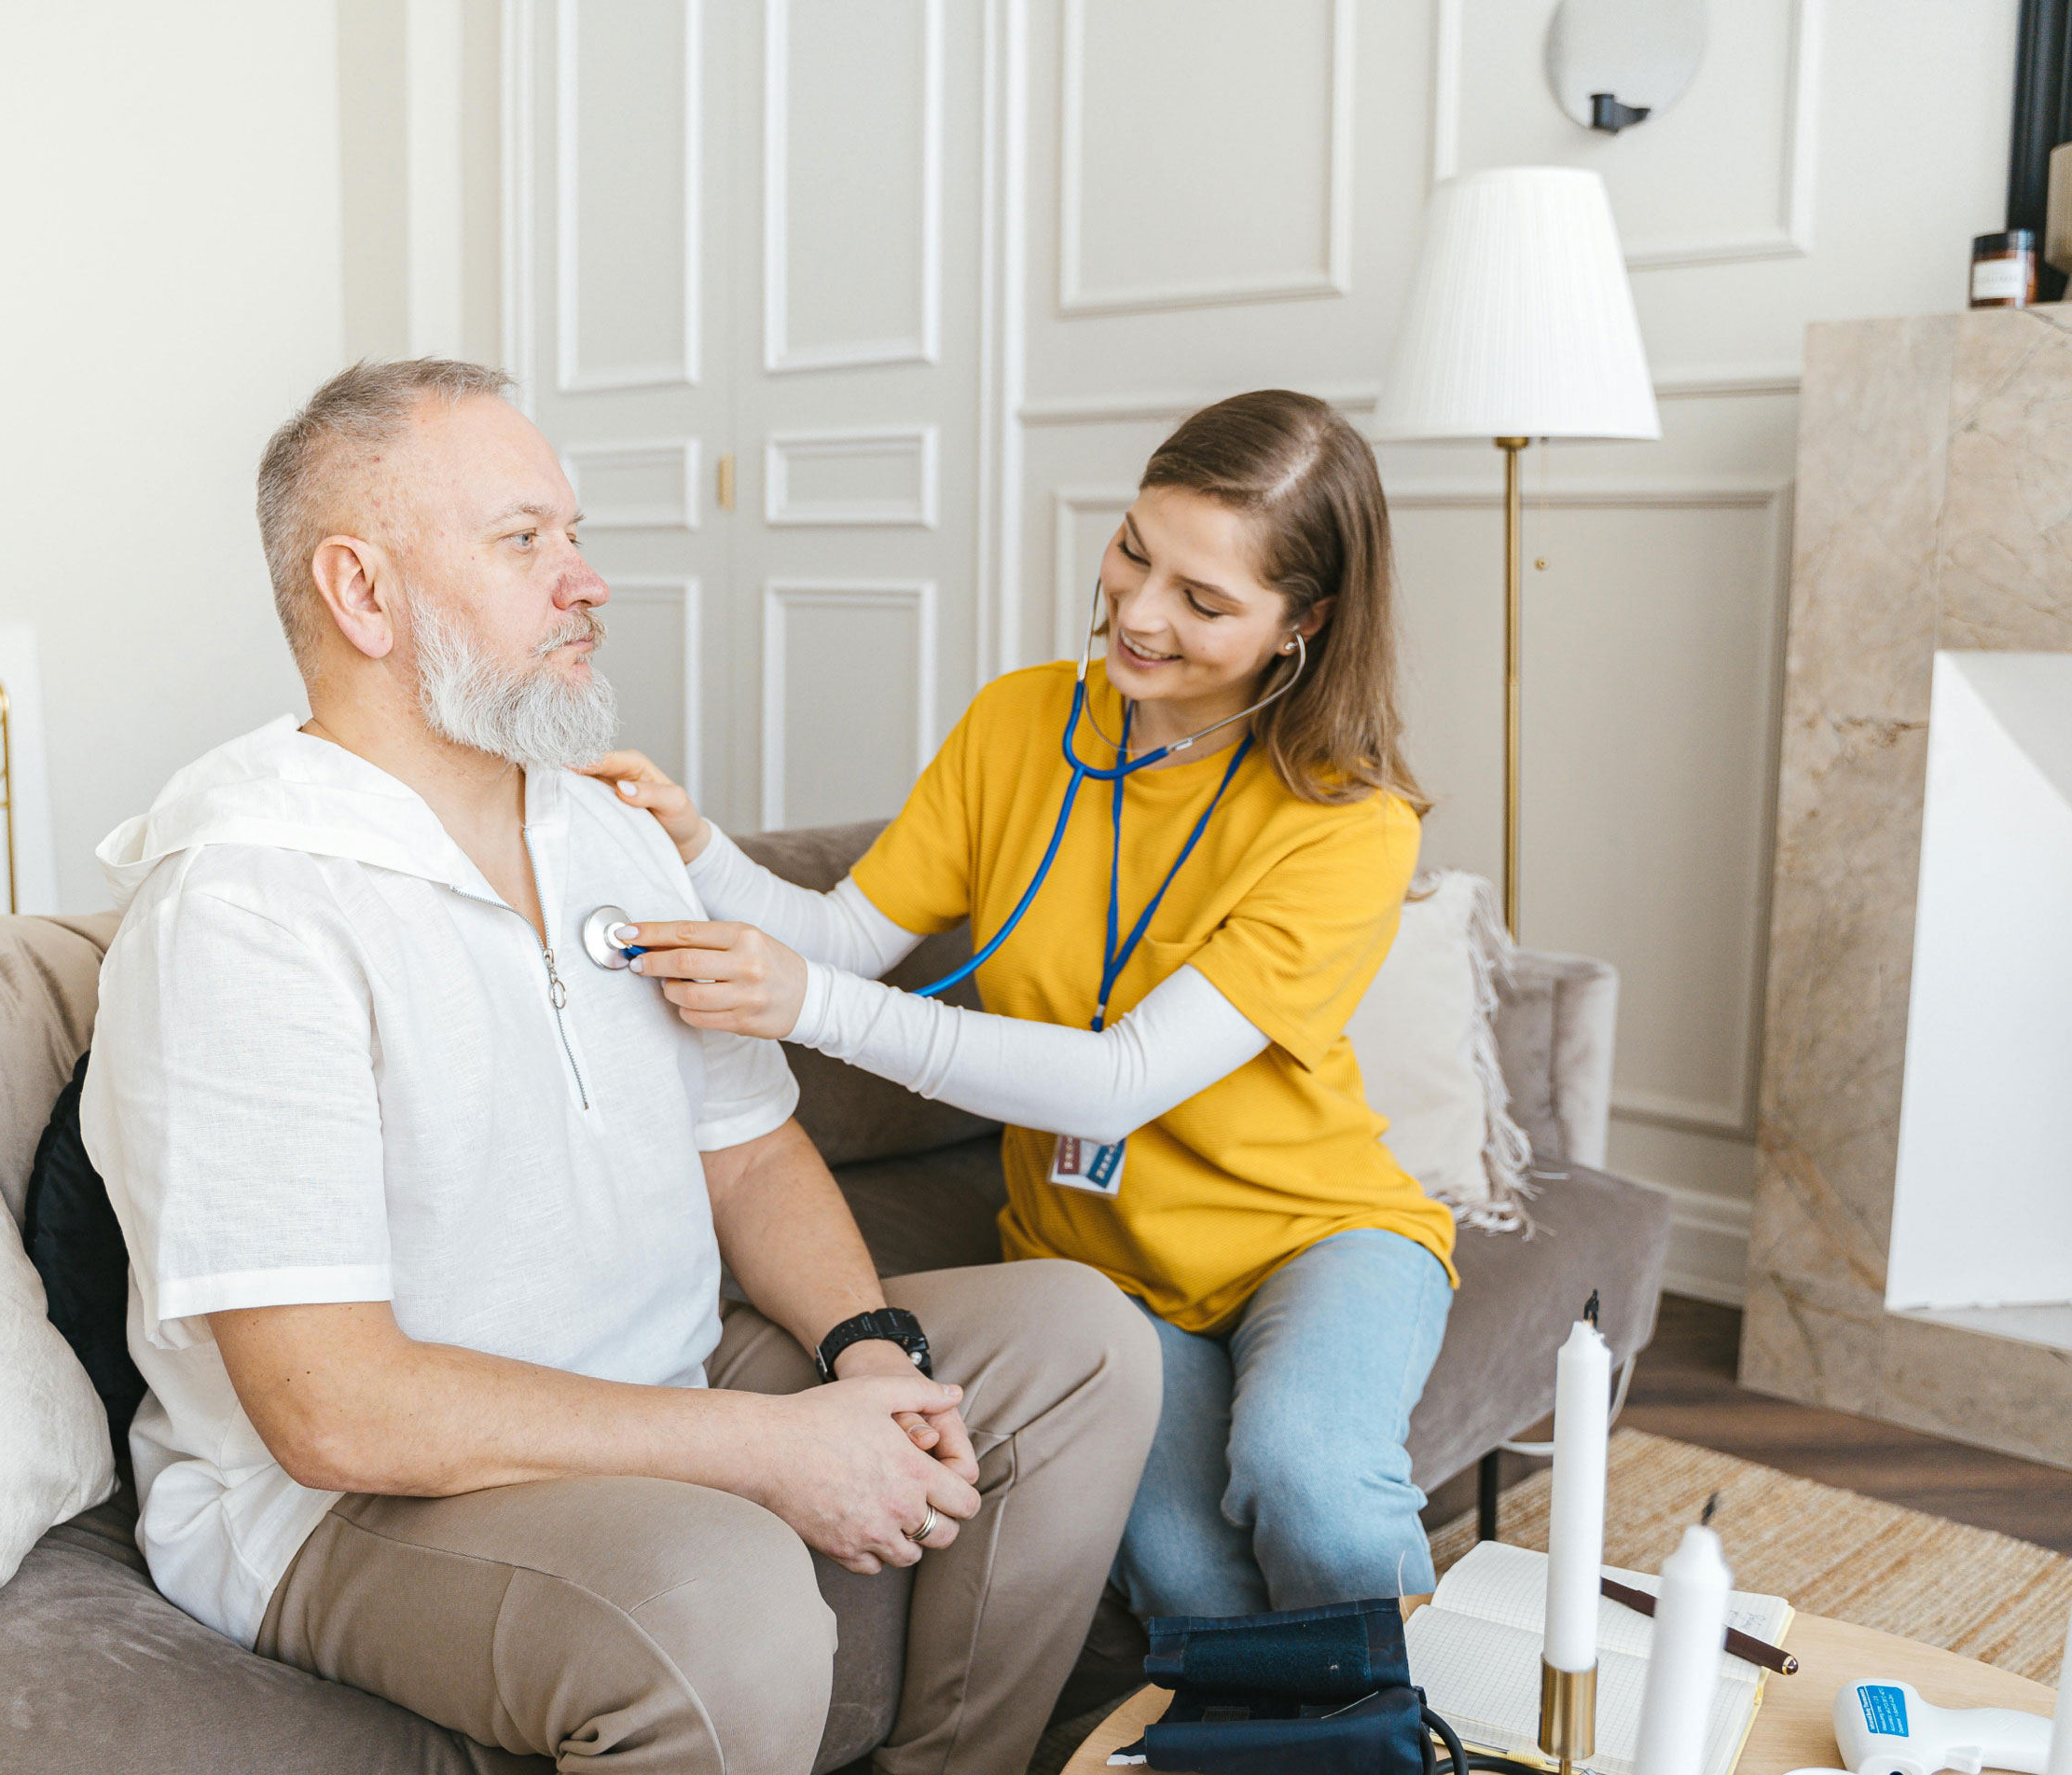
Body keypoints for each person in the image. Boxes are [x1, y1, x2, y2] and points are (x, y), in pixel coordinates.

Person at [80, 357, 1162, 1775]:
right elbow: (332, 1407)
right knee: (720, 1599)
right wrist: (772, 1449)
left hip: (665, 1369)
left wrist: (870, 1353)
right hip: (349, 1503)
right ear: (364, 593)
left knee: (1080, 1343)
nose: (587, 581)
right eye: (523, 540)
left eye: (574, 535)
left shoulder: (605, 830)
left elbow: (749, 1152)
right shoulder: (246, 905)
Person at [591, 390, 1457, 1622]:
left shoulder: (1348, 825)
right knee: (1188, 1584)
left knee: (1309, 1481)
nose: (1139, 613)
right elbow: (847, 935)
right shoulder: (1021, 721)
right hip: (1093, 1264)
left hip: (1312, 1235)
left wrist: (812, 1007)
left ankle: (1398, 1720)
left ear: (1301, 624)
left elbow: (1119, 1081)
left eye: (1204, 601)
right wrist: (697, 846)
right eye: (1134, 552)